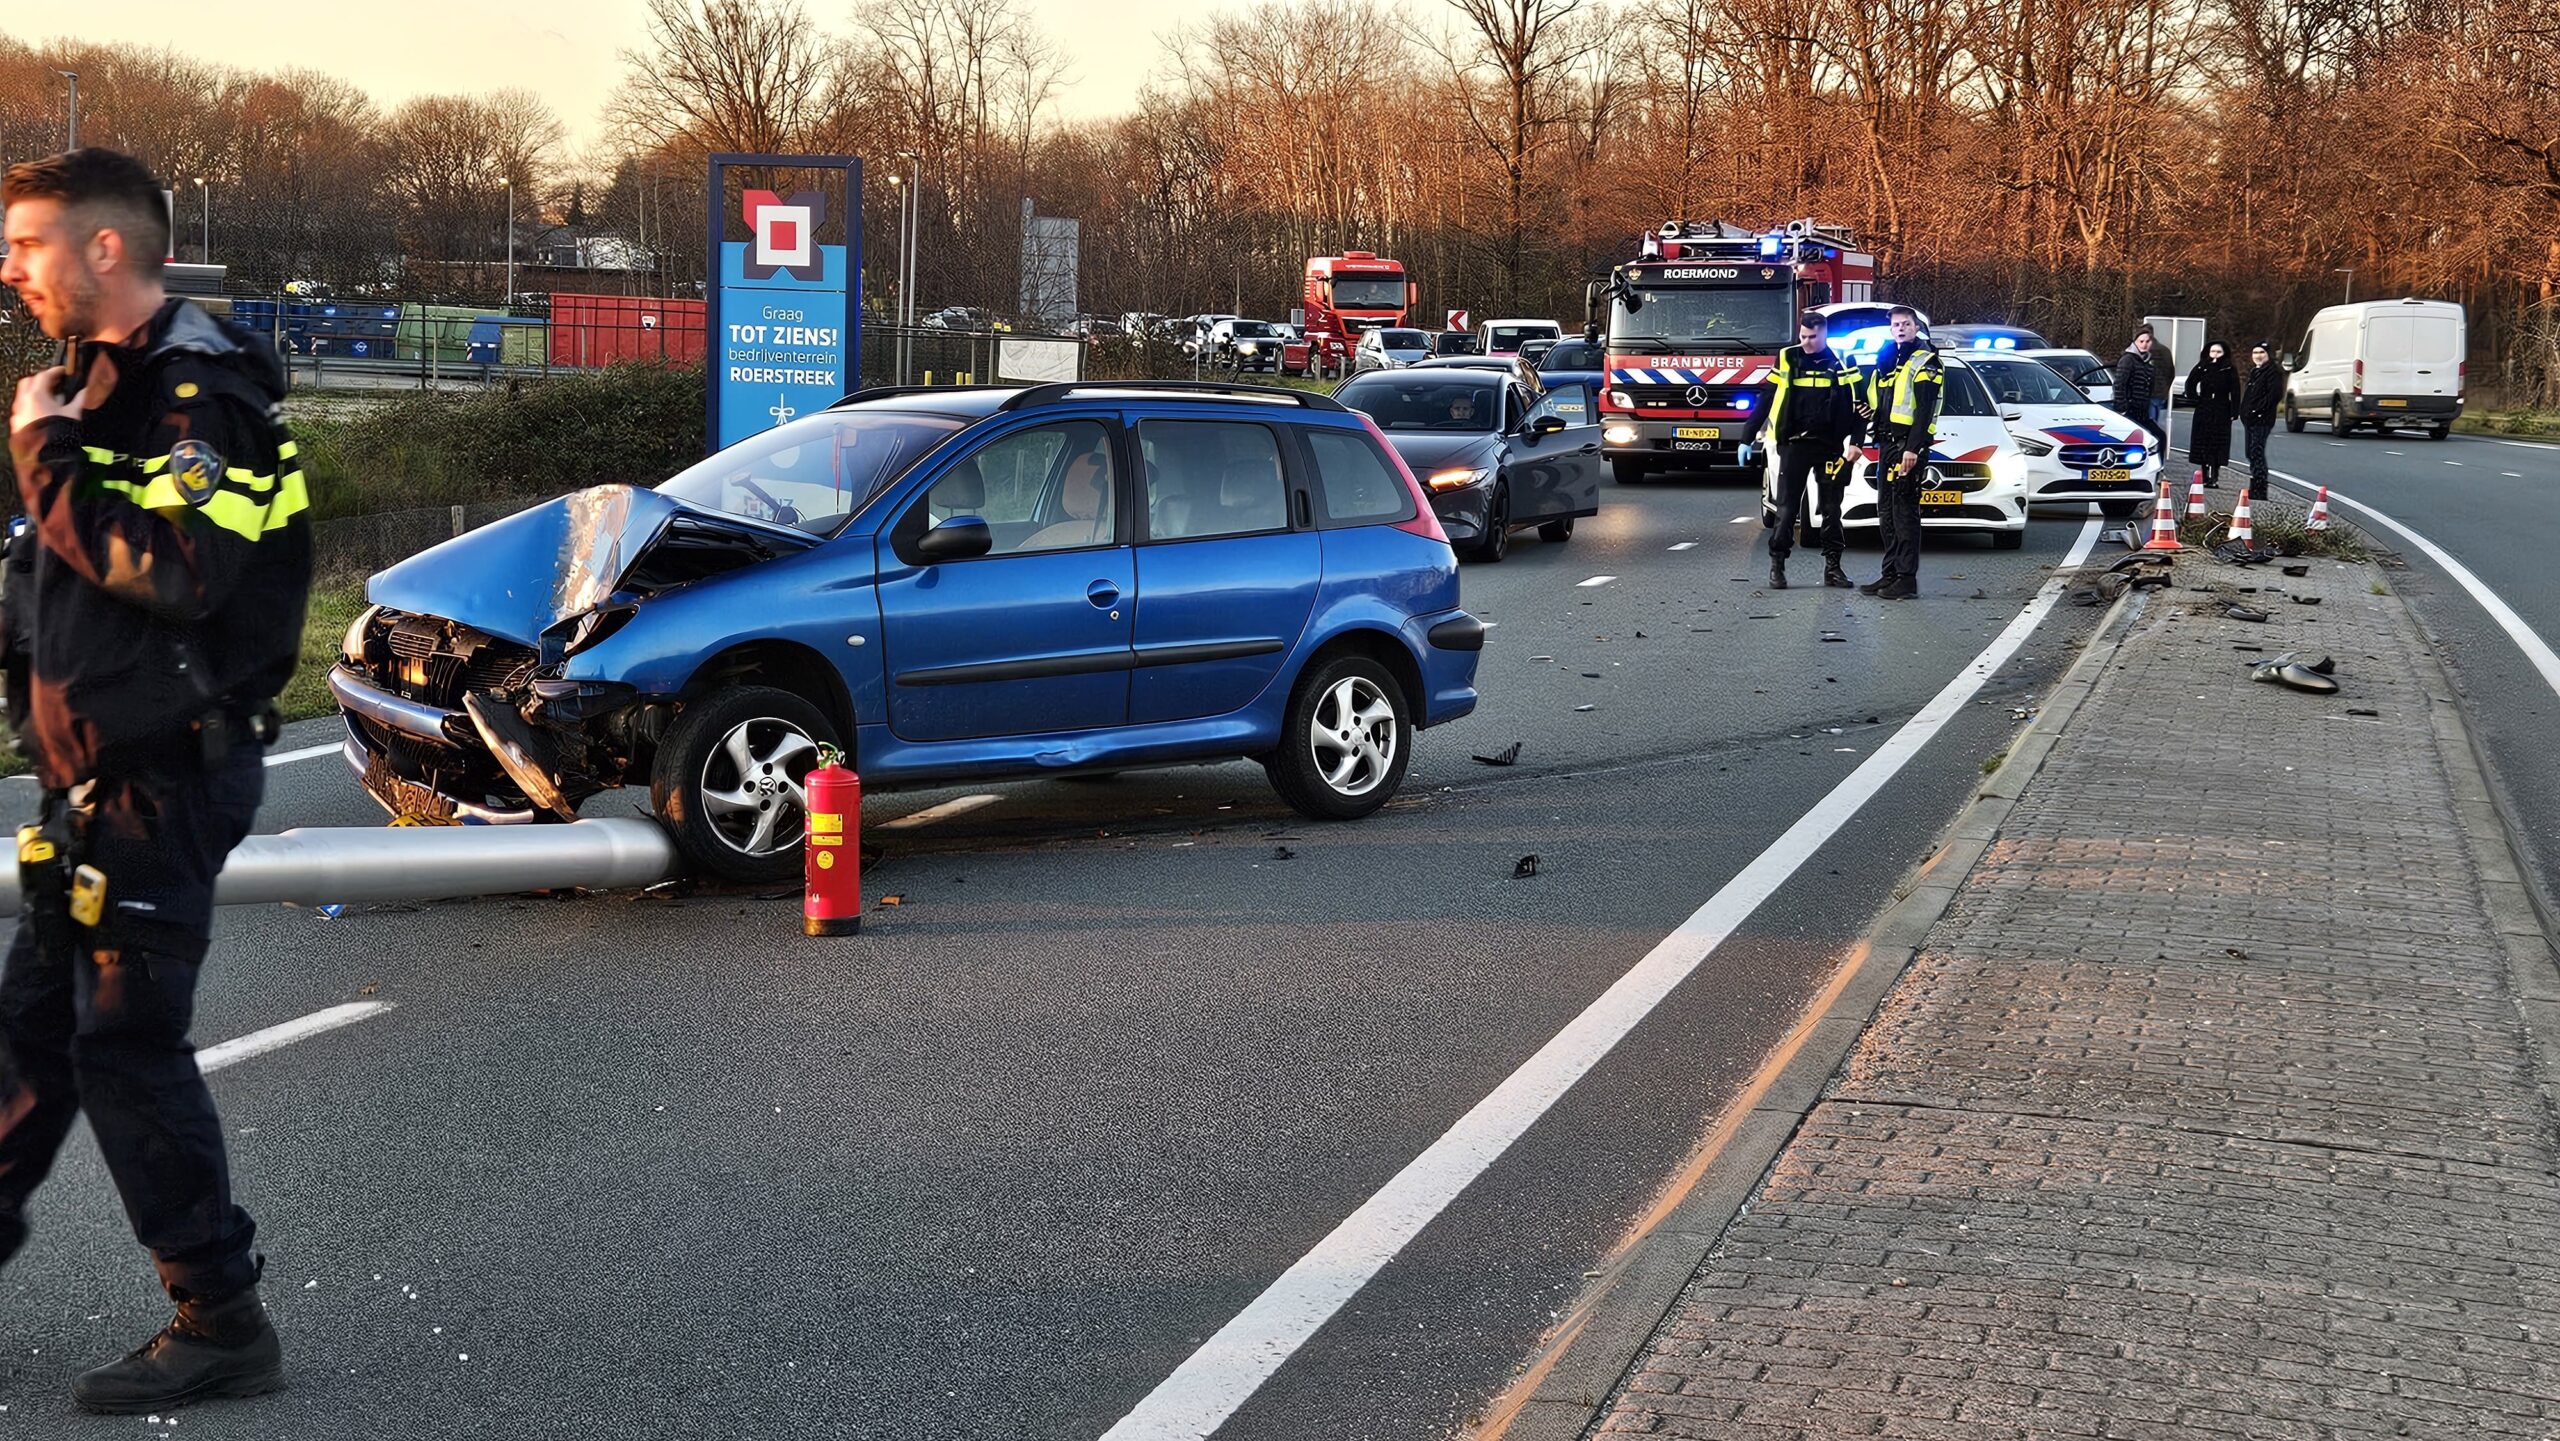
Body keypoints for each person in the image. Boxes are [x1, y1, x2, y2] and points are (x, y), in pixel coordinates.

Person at [0, 149, 311, 1413]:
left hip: (164, 781)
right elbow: (59, 594)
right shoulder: (91, 390)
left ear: (107, 249)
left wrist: (46, 462)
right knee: (26, 1040)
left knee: (125, 1047)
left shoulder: (203, 404)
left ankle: (221, 1315)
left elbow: (177, 573)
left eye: (25, 243)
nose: (9, 268)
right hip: (86, 784)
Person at [1763, 310, 1859, 590]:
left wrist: (1856, 442)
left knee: (1831, 509)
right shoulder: (1788, 357)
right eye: (1803, 336)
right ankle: (1777, 565)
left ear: (1824, 334)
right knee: (1787, 507)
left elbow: (1860, 405)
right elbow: (1768, 396)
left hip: (1829, 446)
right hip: (1794, 445)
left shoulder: (1842, 361)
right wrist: (1747, 435)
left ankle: (1833, 568)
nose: (1806, 342)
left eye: (1812, 337)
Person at [1858, 305, 1941, 601]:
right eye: (1895, 325)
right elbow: (1878, 401)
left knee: (1904, 513)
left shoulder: (1925, 360)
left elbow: (1923, 411)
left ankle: (1906, 579)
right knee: (1887, 512)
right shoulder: (1887, 360)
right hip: (1887, 444)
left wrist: (1913, 448)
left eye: (1906, 324)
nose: (1900, 328)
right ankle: (1890, 573)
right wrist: (1867, 411)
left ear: (1916, 328)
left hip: (1907, 445)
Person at [2183, 342, 2238, 487]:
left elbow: (2235, 390)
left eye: (2218, 352)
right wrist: (2194, 399)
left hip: (2222, 409)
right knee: (2203, 442)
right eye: (2212, 351)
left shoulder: (2228, 368)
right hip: (2204, 407)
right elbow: (2190, 382)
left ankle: (2215, 476)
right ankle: (2204, 473)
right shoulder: (2203, 366)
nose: (2215, 354)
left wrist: (2234, 411)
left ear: (2224, 353)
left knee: (2217, 443)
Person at [2239, 340, 2283, 501]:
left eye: (2261, 353)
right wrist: (2244, 412)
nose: (2258, 356)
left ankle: (2259, 488)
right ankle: (2255, 484)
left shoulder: (2273, 372)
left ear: (2268, 354)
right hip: (2249, 419)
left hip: (2262, 419)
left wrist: (2256, 411)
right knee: (2250, 452)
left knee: (2257, 452)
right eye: (2255, 353)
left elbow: (2273, 395)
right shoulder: (2255, 372)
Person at [2113, 326, 2162, 445]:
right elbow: (2119, 384)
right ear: (2135, 342)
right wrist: (2122, 408)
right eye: (2141, 341)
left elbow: (2150, 385)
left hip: (2143, 410)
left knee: (2157, 438)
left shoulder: (2148, 361)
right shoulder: (2128, 359)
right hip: (2129, 409)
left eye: (2147, 341)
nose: (2144, 344)